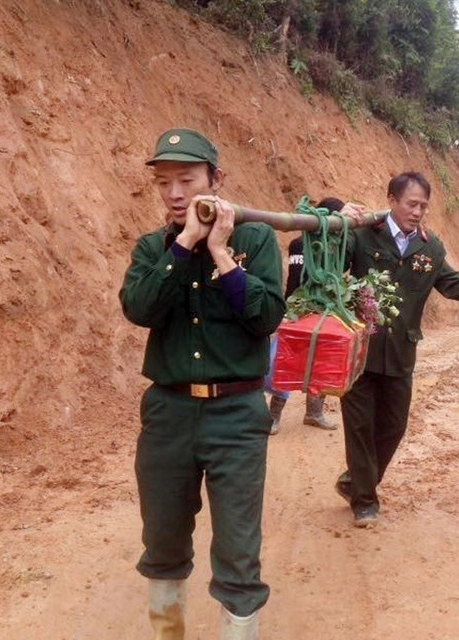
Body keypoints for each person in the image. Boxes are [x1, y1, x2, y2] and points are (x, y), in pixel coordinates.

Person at [119, 128, 285, 639]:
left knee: (238, 548)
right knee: (163, 539)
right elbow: (139, 308)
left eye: (187, 180)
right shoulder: (153, 248)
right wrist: (186, 244)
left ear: (216, 180)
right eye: (164, 183)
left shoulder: (254, 239)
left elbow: (267, 319)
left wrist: (220, 254)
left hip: (236, 417)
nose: (175, 194)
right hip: (167, 415)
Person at [335, 171, 459, 527]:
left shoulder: (430, 247)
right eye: (411, 203)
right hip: (360, 350)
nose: (417, 211)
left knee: (393, 426)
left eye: (423, 206)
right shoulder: (363, 235)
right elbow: (331, 263)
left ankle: (355, 481)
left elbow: (455, 286)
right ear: (392, 200)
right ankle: (364, 500)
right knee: (360, 425)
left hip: (400, 353)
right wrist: (336, 223)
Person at [266, 198, 346, 433]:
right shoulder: (301, 245)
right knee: (287, 362)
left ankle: (314, 413)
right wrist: (289, 312)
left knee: (320, 364)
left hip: (323, 312)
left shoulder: (335, 247)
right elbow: (296, 280)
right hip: (299, 311)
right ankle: (273, 416)